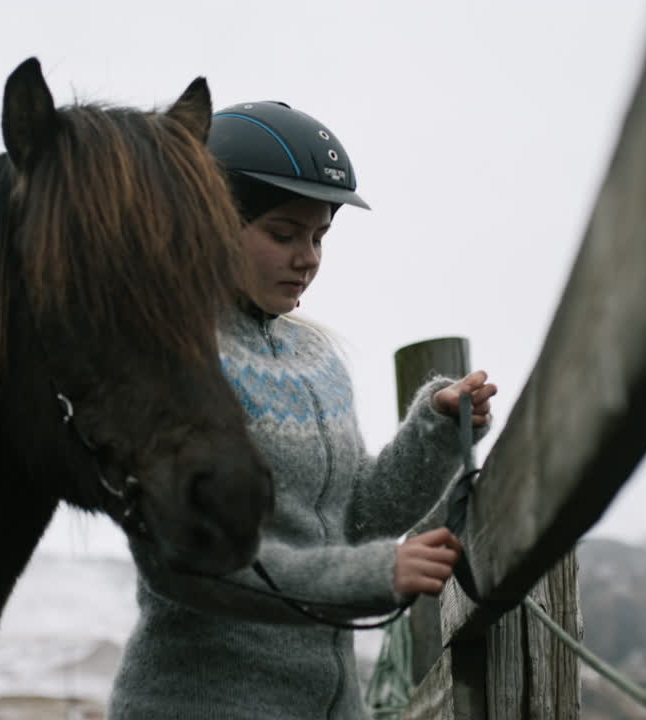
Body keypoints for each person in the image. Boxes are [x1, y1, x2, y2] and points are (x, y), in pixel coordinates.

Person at [109, 100, 497, 720]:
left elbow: (357, 516)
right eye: (283, 234)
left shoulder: (316, 356)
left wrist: (435, 430)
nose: (308, 257)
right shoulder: (169, 362)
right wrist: (374, 575)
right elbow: (183, 563)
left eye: (319, 237)